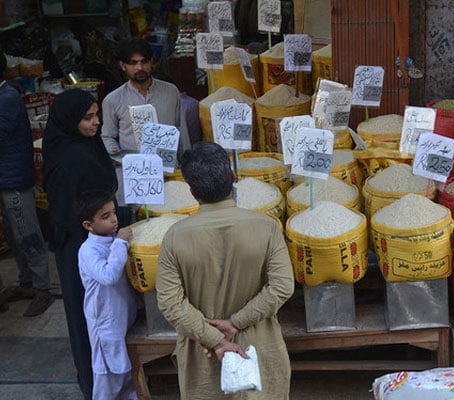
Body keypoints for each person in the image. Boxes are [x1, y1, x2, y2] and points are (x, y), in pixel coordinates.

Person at [157, 142, 294, 400]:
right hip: (258, 350)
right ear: (233, 178)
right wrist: (235, 323)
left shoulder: (174, 237)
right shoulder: (267, 227)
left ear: (192, 192)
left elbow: (170, 303)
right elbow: (282, 286)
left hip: (204, 355)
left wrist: (215, 339)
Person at [42, 88, 119, 399]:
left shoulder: (84, 144)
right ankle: (94, 386)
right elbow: (68, 210)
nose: (96, 122)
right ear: (70, 119)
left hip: (94, 236)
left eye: (97, 114)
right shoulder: (69, 158)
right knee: (87, 317)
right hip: (78, 247)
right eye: (88, 118)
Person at [0, 52, 54, 317]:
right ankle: (26, 282)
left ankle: (42, 286)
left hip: (14, 179)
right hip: (5, 177)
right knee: (12, 233)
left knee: (26, 231)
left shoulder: (8, 97)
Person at [75, 190, 139, 400]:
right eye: (105, 216)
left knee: (127, 377)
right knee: (108, 380)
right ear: (88, 225)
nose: (113, 220)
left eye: (114, 213)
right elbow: (109, 275)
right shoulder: (88, 250)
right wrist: (120, 242)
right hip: (105, 324)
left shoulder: (112, 239)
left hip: (121, 317)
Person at [101, 38, 190, 155]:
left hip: (169, 168)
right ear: (123, 66)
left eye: (144, 62)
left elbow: (181, 131)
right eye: (133, 63)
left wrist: (187, 164)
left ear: (152, 61)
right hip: (134, 168)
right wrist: (118, 155)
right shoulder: (113, 99)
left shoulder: (171, 91)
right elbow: (108, 136)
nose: (140, 68)